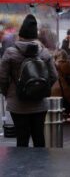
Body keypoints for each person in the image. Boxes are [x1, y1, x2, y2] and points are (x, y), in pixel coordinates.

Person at [0, 14, 58, 147]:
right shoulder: (44, 52)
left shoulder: (10, 52)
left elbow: (2, 77)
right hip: (39, 103)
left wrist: (7, 92)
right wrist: (41, 89)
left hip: (17, 103)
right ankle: (41, 167)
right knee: (39, 137)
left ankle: (22, 168)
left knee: (22, 138)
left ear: (20, 35)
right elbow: (54, 75)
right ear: (35, 36)